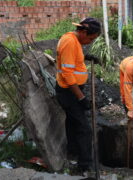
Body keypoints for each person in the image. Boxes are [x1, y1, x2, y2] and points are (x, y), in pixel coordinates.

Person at [55, 17, 101, 172]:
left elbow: (72, 59)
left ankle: (73, 152)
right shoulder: (69, 42)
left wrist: (87, 57)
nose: (90, 41)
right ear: (83, 32)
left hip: (72, 90)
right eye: (90, 38)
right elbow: (67, 74)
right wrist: (81, 97)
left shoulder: (75, 41)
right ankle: (84, 165)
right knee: (83, 128)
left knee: (72, 122)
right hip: (69, 92)